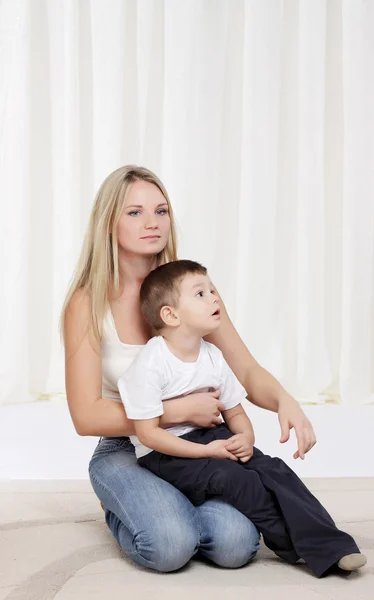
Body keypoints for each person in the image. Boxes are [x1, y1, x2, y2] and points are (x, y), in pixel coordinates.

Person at [62, 164, 319, 573]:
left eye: (161, 211)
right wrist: (178, 411)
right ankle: (121, 503)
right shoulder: (87, 303)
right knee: (169, 547)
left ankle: (166, 502)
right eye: (135, 212)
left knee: (237, 546)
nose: (152, 223)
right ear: (108, 223)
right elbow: (86, 415)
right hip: (126, 446)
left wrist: (285, 401)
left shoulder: (192, 289)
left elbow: (246, 370)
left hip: (197, 443)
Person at [117, 259, 367, 578]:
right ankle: (294, 545)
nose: (214, 297)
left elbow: (234, 412)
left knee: (273, 470)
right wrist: (208, 452)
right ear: (170, 314)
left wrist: (245, 439)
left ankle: (334, 546)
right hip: (164, 453)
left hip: (211, 436)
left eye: (212, 290)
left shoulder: (213, 356)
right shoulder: (152, 361)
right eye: (200, 294)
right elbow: (149, 435)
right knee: (236, 479)